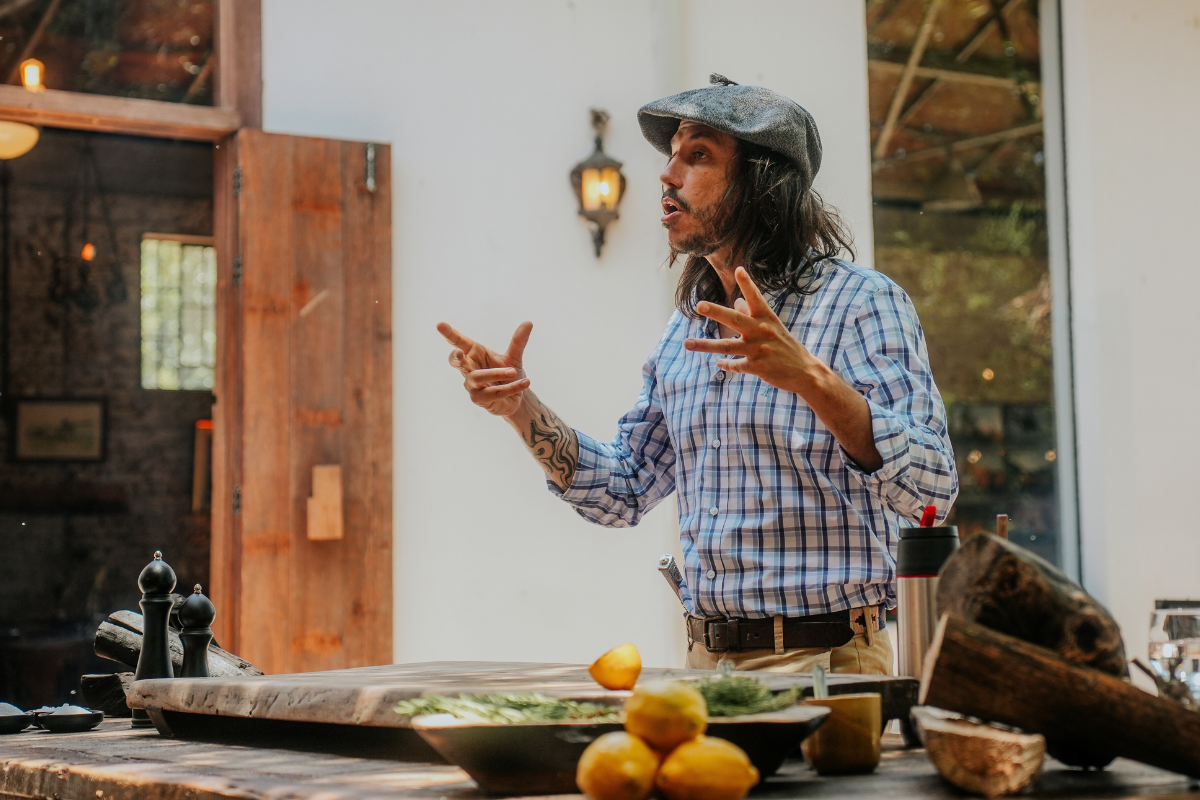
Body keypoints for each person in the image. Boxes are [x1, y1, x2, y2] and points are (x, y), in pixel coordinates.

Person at [437, 75, 958, 674]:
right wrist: (519, 409)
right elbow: (625, 488)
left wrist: (812, 380)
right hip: (706, 664)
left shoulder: (862, 303)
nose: (667, 174)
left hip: (824, 660)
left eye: (699, 155)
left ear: (761, 181)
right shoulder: (685, 330)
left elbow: (934, 490)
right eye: (672, 154)